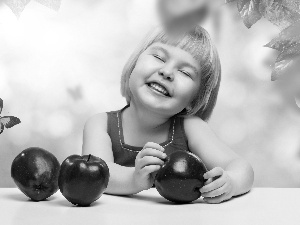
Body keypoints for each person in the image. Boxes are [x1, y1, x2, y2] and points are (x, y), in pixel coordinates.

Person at [82, 25, 254, 204]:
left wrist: (231, 182)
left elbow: (242, 167)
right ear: (133, 66)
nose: (167, 72)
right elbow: (95, 175)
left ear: (195, 99)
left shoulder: (190, 127)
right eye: (158, 57)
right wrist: (135, 178)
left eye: (185, 72)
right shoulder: (100, 124)